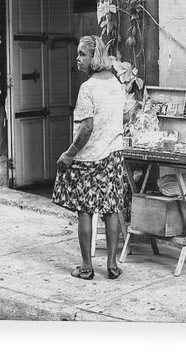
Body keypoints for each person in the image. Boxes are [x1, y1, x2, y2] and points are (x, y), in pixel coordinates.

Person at [52, 35, 127, 280]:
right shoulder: (116, 84)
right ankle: (112, 266)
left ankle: (86, 267)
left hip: (89, 158)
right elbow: (120, 118)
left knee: (85, 211)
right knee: (111, 209)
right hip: (113, 155)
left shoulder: (88, 88)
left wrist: (69, 154)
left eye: (82, 54)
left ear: (93, 57)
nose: (78, 59)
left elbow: (86, 129)